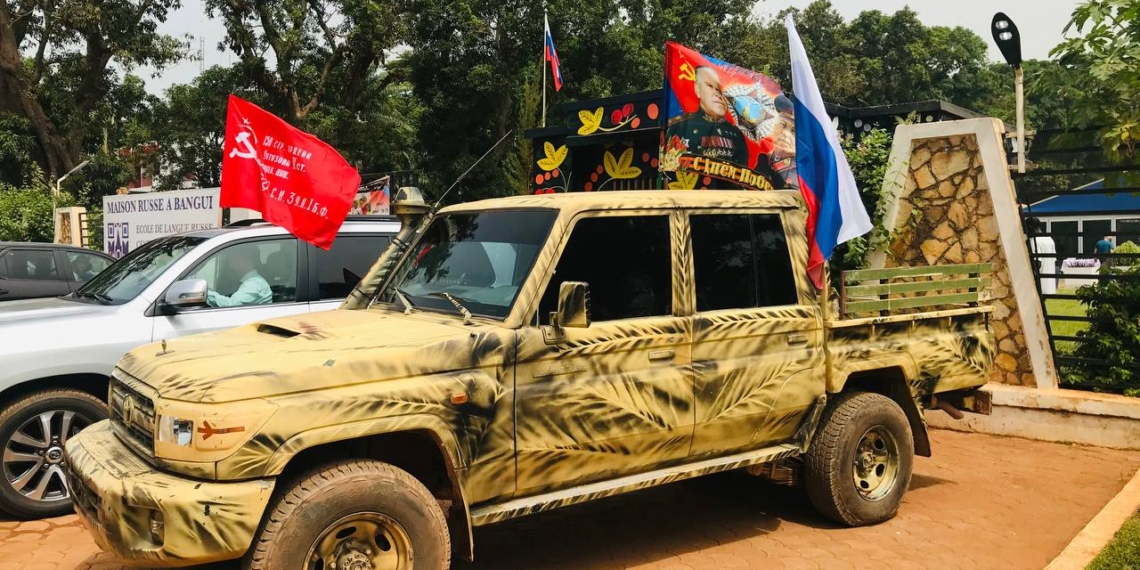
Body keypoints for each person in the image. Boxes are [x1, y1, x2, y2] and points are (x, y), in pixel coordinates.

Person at [665, 66, 750, 168]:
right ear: (698, 89)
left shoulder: (736, 134)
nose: (718, 94)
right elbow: (670, 166)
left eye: (721, 90)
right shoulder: (679, 126)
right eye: (710, 86)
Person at [207, 247, 272, 307]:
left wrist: (205, 294)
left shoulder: (255, 284)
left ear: (247, 260)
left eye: (234, 261)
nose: (231, 266)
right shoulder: (249, 282)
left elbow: (232, 305)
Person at [1025, 218, 1056, 295]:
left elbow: (1037, 263)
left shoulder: (1035, 241)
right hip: (1050, 284)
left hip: (1040, 285)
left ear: (1030, 227)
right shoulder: (1049, 239)